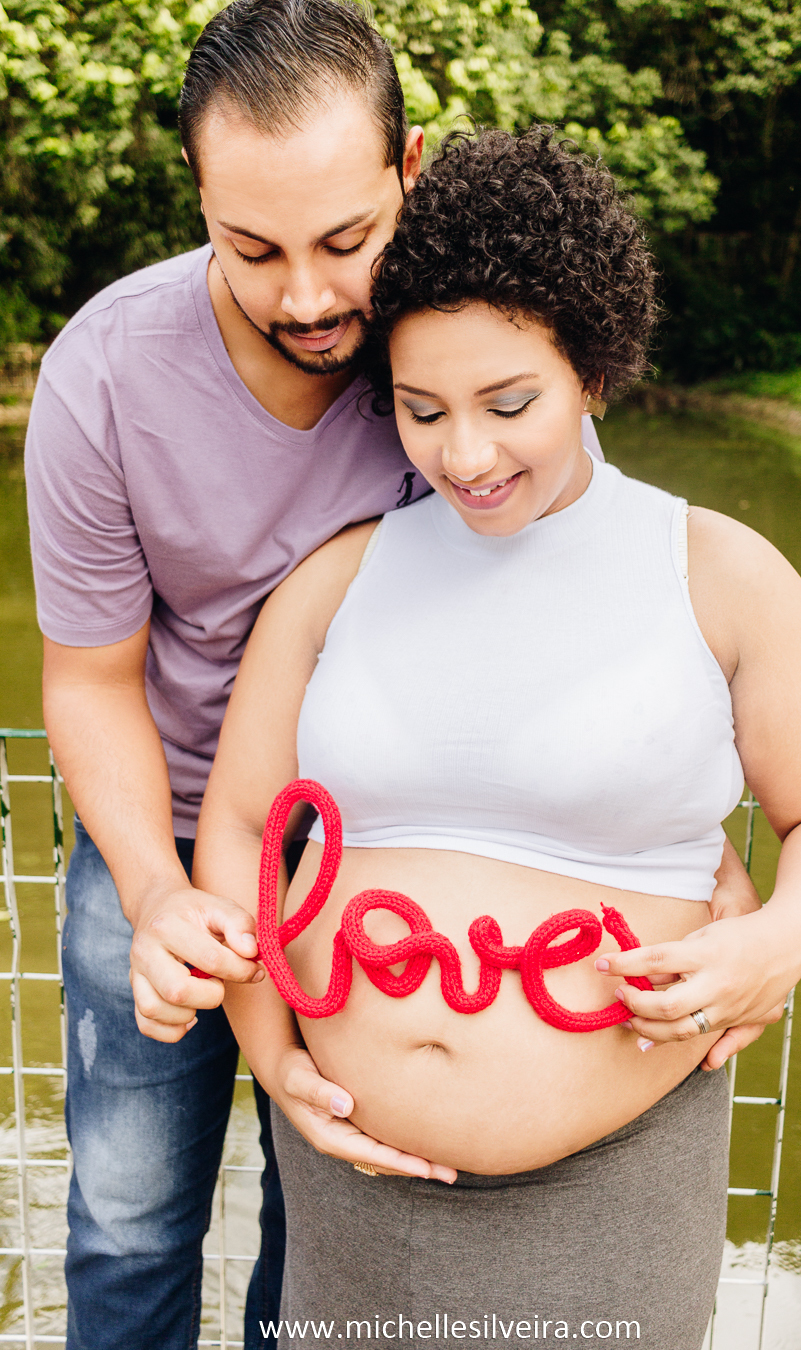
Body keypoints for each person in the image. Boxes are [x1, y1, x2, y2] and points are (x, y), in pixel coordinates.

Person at [194, 126, 801, 1350]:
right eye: (421, 410)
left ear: (596, 374)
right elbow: (247, 824)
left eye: (509, 403)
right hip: (357, 1182)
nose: (465, 455)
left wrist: (776, 944)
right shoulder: (336, 580)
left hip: (613, 1185)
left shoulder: (722, 572)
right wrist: (269, 1048)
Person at [23, 4, 606, 1346]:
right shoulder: (99, 379)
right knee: (125, 1221)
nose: (308, 296)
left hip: (379, 854)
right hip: (157, 838)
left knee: (336, 1229)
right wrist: (164, 896)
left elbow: (582, 610)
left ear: (411, 168)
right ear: (201, 200)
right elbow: (92, 678)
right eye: (253, 248)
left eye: (349, 242)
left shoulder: (465, 356)